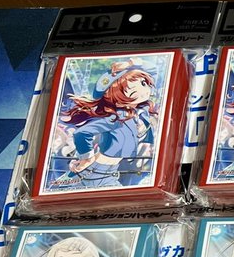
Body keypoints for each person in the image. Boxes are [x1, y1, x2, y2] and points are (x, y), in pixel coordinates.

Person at [50, 58, 156, 189]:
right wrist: (86, 158)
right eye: (133, 93)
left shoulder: (139, 111)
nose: (145, 92)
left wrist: (129, 63)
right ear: (116, 99)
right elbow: (82, 133)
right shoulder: (115, 117)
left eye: (144, 84)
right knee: (57, 191)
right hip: (94, 172)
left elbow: (153, 70)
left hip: (109, 173)